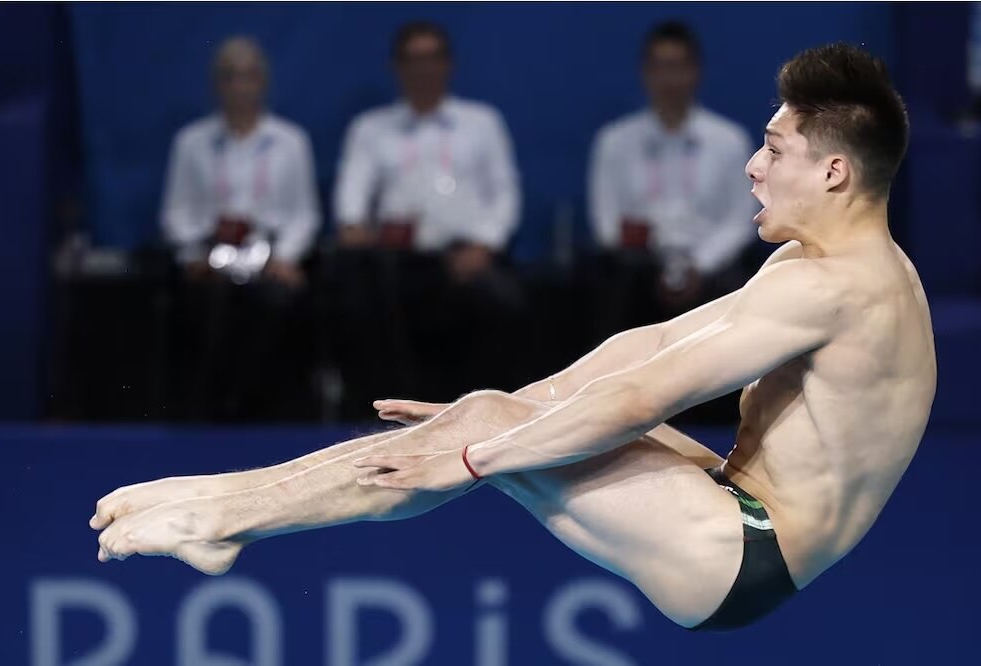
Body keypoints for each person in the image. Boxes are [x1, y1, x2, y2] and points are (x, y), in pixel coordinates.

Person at [92, 44, 936, 631]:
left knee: (482, 430)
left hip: (744, 551)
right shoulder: (821, 263)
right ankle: (223, 506)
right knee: (488, 414)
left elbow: (645, 397)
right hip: (738, 512)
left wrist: (473, 454)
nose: (753, 166)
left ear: (834, 170)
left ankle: (223, 517)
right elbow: (644, 348)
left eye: (775, 150)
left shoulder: (833, 289)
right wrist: (510, 414)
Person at [327, 20, 525, 414]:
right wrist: (353, 225)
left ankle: (484, 416)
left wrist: (484, 247)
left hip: (464, 257)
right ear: (396, 66)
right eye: (413, 59)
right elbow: (352, 194)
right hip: (395, 262)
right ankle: (379, 414)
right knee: (356, 300)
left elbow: (505, 196)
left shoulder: (481, 123)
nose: (423, 69)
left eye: (432, 58)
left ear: (448, 64)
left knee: (504, 304)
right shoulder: (371, 129)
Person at [160, 36, 321, 421]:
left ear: (262, 81)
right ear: (218, 84)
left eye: (248, 75)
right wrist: (193, 254)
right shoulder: (192, 142)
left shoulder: (290, 141)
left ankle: (253, 409)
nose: (240, 86)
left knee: (276, 305)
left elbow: (304, 214)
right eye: (230, 76)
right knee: (208, 305)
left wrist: (286, 258)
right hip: (210, 257)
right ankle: (212, 411)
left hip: (269, 257)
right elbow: (176, 213)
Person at [585, 22, 758, 340]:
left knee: (742, 291)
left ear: (696, 71)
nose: (669, 79)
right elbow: (606, 223)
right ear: (645, 72)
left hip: (710, 268)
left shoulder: (729, 141)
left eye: (678, 67)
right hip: (639, 267)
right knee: (611, 285)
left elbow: (740, 221)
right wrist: (657, 262)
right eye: (660, 67)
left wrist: (699, 265)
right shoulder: (614, 141)